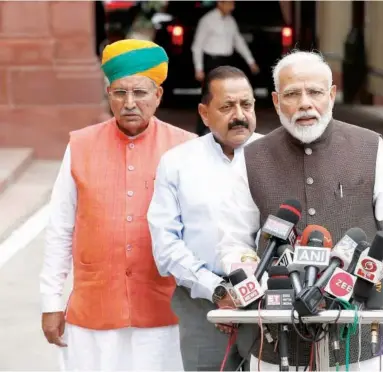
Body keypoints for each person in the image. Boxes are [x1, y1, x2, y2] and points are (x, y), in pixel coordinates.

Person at [213, 50, 383, 371]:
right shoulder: (251, 159)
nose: (305, 103)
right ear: (275, 100)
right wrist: (260, 280)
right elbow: (233, 242)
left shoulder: (371, 148)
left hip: (367, 337)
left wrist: (366, 275)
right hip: (279, 335)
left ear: (332, 94)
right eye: (292, 94)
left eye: (314, 92)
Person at [39, 39, 197, 370]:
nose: (129, 103)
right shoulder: (79, 145)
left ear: (158, 96)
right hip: (93, 313)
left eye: (139, 93)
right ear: (108, 94)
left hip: (164, 314)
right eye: (119, 93)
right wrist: (51, 302)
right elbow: (60, 228)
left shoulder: (186, 149)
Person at [147, 66, 263, 371]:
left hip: (268, 308)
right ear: (204, 113)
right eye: (227, 106)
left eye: (246, 105)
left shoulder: (275, 157)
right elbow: (166, 244)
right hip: (202, 305)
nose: (239, 114)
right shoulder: (178, 163)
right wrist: (217, 291)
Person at [192, 0, 260, 136]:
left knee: (227, 96)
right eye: (230, 3)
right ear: (220, 3)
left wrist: (250, 61)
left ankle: (225, 126)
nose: (233, 7)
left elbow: (238, 41)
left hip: (227, 61)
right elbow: (197, 45)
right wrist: (198, 68)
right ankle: (201, 130)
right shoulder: (207, 20)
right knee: (209, 96)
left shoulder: (231, 21)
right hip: (211, 61)